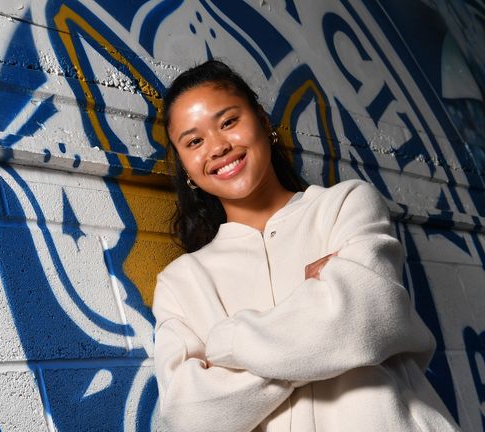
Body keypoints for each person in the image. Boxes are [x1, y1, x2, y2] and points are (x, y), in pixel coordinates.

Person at [152, 60, 459, 432]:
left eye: (229, 122)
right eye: (194, 141)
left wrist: (228, 343)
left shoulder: (345, 205)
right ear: (185, 166)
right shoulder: (181, 282)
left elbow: (360, 322)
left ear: (263, 121)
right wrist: (318, 336)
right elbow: (187, 416)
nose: (217, 147)